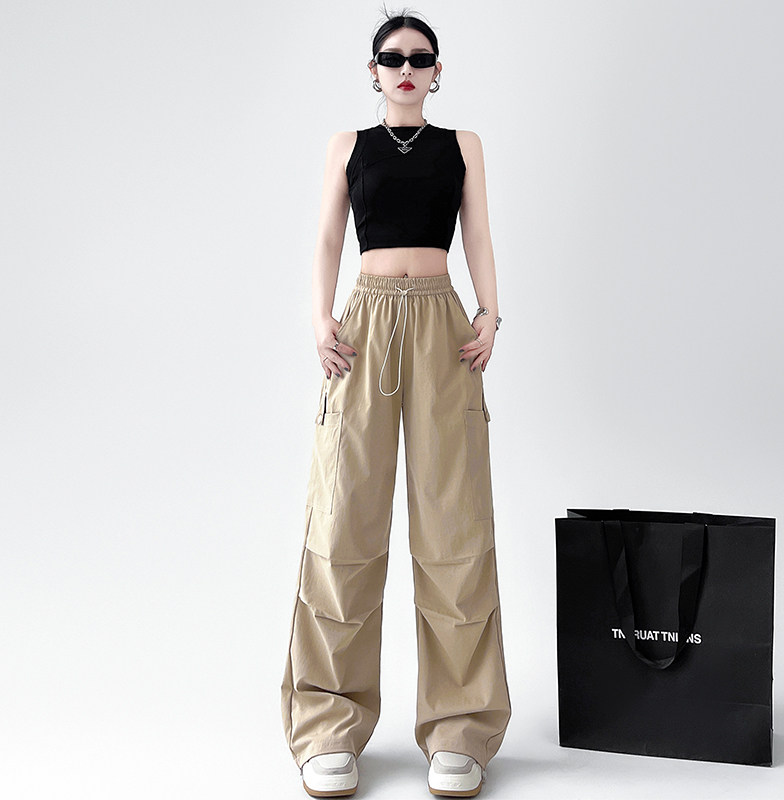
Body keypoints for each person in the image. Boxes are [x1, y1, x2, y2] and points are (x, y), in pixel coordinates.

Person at [280, 9, 511, 797]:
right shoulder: (348, 146)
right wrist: (320, 319)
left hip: (444, 324)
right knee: (344, 519)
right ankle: (328, 722)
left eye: (420, 57)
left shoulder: (462, 146)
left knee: (454, 523)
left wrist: (489, 311)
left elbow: (478, 235)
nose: (405, 68)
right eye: (392, 57)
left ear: (438, 70)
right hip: (366, 323)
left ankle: (460, 727)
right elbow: (327, 237)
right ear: (373, 69)